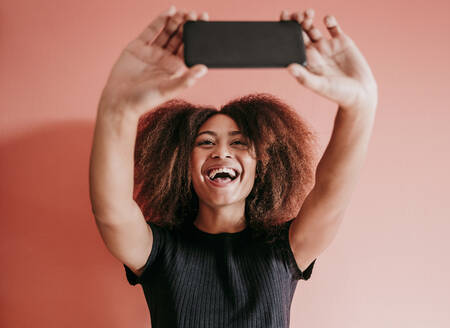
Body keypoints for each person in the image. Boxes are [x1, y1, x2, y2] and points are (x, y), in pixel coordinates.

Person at [89, 5, 378, 328]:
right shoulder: (157, 250)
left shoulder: (285, 249)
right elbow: (111, 211)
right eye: (206, 142)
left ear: (262, 167)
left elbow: (330, 193)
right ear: (181, 164)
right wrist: (117, 110)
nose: (222, 152)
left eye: (239, 143)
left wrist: (360, 106)